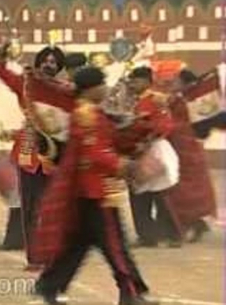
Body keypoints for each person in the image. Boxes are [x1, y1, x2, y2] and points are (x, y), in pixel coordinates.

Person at [32, 66, 157, 305]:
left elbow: (107, 142)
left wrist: (134, 133)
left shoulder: (92, 112)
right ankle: (131, 294)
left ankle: (48, 285)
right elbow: (95, 152)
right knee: (115, 246)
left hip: (88, 192)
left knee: (77, 244)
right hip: (97, 192)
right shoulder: (86, 114)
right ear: (92, 88)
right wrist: (122, 165)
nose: (106, 88)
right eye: (102, 83)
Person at [0, 44, 68, 265]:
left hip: (56, 154)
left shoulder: (64, 89)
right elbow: (3, 73)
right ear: (38, 64)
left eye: (53, 62)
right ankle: (34, 258)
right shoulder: (25, 85)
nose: (48, 64)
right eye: (45, 60)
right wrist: (1, 57)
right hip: (29, 153)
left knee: (53, 208)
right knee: (29, 208)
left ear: (59, 68)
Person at [125, 67, 180, 248]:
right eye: (132, 81)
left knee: (161, 195)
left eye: (136, 80)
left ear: (148, 81)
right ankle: (147, 236)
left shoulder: (156, 100)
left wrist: (148, 139)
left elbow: (166, 125)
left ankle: (172, 234)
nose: (133, 84)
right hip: (137, 150)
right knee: (139, 194)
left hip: (154, 149)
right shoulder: (132, 101)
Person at [164, 69, 217, 243]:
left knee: (187, 191)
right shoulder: (177, 98)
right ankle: (192, 224)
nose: (172, 83)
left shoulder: (191, 100)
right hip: (179, 148)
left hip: (187, 149)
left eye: (176, 80)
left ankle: (192, 224)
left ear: (185, 83)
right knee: (180, 191)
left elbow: (193, 124)